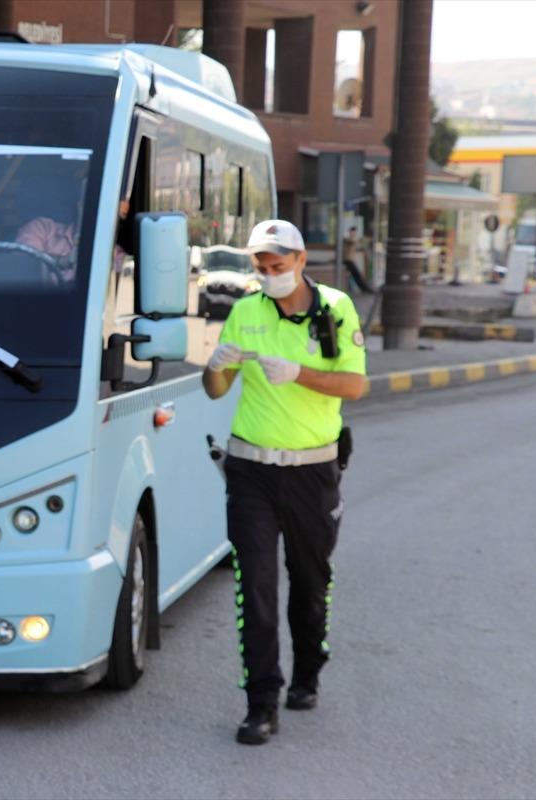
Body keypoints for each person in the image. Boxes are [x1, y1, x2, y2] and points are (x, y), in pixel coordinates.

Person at [202, 219, 366, 746]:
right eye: (261, 267)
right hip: (251, 469)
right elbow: (214, 389)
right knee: (256, 587)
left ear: (300, 262)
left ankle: (308, 673)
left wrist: (298, 372)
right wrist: (216, 365)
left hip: (312, 471)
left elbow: (356, 385)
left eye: (278, 266)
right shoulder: (246, 311)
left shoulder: (336, 308)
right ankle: (260, 704)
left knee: (310, 582)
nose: (269, 276)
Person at [342, 225, 375, 294]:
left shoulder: (351, 238)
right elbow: (352, 240)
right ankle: (365, 289)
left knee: (357, 275)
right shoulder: (349, 239)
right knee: (357, 274)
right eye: (353, 232)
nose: (354, 233)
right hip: (348, 260)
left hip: (350, 260)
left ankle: (365, 288)